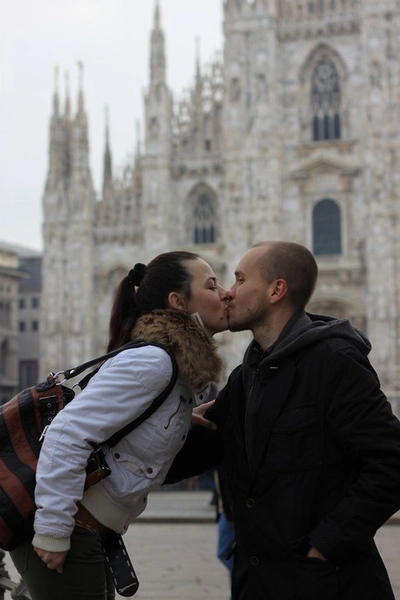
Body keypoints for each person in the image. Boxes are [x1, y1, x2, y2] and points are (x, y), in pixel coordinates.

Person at [167, 241, 400, 600]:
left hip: (329, 584)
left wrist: (323, 546)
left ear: (277, 290)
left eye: (240, 280)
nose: (228, 293)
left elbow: (392, 463)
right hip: (260, 585)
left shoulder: (334, 362)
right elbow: (191, 454)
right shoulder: (248, 376)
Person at [10, 250, 228, 600]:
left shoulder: (174, 371)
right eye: (213, 285)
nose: (226, 293)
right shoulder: (154, 361)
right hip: (69, 526)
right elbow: (66, 433)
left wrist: (182, 420)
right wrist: (53, 529)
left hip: (91, 532)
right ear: (179, 302)